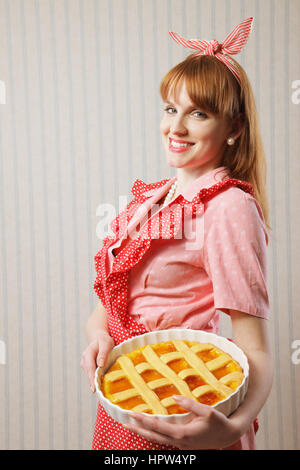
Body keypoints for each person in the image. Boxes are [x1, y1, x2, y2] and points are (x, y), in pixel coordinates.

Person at [80, 17, 273, 450]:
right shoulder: (152, 199)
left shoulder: (229, 207)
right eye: (171, 109)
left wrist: (231, 427)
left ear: (234, 128)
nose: (176, 127)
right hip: (125, 398)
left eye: (198, 114)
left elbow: (257, 352)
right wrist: (99, 337)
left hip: (182, 412)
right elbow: (107, 306)